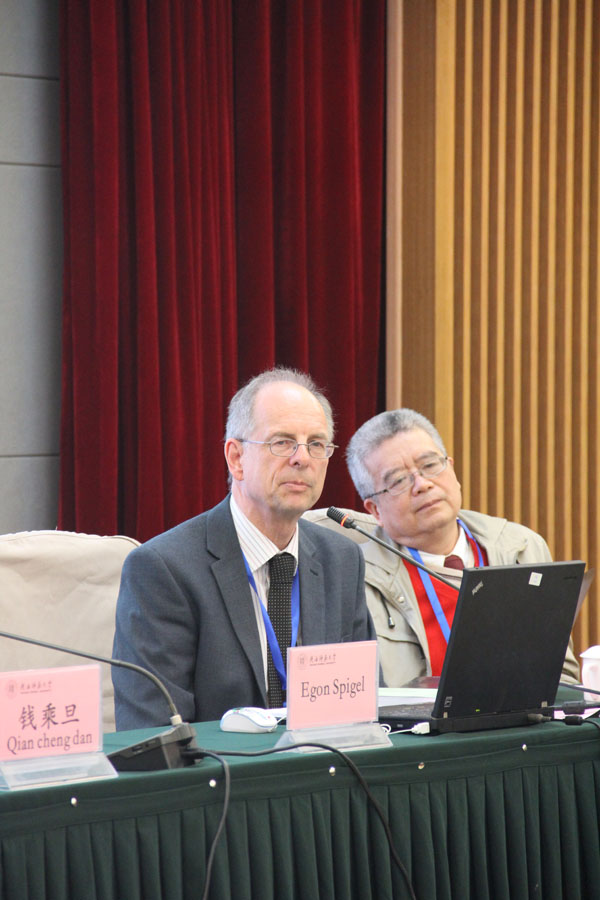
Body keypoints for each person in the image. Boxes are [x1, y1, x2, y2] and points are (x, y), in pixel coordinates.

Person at [112, 367, 375, 728]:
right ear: (236, 458)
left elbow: (365, 704)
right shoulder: (164, 569)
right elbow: (155, 732)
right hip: (224, 764)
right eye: (282, 442)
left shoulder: (341, 559)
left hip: (327, 760)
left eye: (316, 444)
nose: (302, 458)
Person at [341, 408, 580, 687]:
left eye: (430, 465)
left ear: (452, 469)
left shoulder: (522, 548)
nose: (422, 485)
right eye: (398, 481)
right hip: (418, 716)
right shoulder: (355, 580)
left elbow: (562, 675)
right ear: (375, 510)